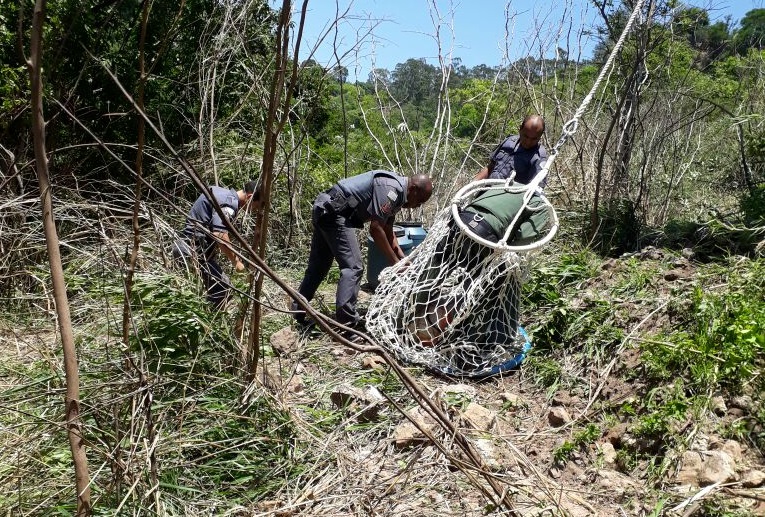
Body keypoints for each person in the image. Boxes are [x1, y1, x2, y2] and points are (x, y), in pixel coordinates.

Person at [292, 170, 434, 328]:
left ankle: (297, 312)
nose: (416, 206)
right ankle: (347, 326)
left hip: (325, 208)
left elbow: (388, 230)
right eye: (419, 201)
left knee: (318, 267)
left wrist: (402, 259)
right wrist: (394, 262)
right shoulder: (392, 189)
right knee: (354, 267)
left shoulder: (399, 194)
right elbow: (376, 228)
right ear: (413, 189)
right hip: (335, 212)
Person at [173, 181, 258, 310]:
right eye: (258, 205)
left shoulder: (219, 192)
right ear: (250, 197)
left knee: (194, 293)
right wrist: (237, 262)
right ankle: (207, 325)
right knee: (223, 289)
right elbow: (219, 233)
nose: (257, 210)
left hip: (184, 248)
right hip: (192, 252)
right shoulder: (229, 203)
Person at [474, 114, 547, 185]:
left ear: (540, 136)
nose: (528, 142)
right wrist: (473, 184)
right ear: (520, 129)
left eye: (534, 139)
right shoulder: (509, 141)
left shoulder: (539, 157)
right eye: (526, 136)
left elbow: (535, 189)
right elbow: (490, 167)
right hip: (486, 189)